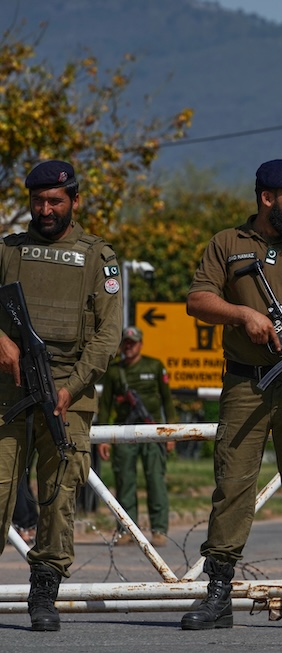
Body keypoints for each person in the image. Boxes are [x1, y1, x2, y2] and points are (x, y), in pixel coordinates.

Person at [181, 159, 282, 631]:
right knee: (232, 484)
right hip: (244, 382)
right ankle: (218, 595)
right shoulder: (228, 244)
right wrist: (243, 316)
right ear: (267, 199)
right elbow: (198, 299)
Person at [0, 160, 123, 631]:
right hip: (9, 393)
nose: (45, 209)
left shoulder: (98, 257)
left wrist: (71, 388)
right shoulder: (10, 250)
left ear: (74, 200)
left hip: (66, 393)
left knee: (58, 494)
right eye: (37, 201)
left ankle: (45, 590)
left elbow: (107, 336)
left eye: (55, 201)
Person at [97, 325, 176, 547]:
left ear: (140, 344)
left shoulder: (154, 366)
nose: (129, 347)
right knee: (125, 482)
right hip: (124, 432)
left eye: (133, 343)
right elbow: (105, 406)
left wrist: (172, 433)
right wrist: (103, 437)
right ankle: (126, 529)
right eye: (126, 343)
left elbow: (167, 401)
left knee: (155, 480)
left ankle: (159, 530)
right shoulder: (114, 371)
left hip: (153, 432)